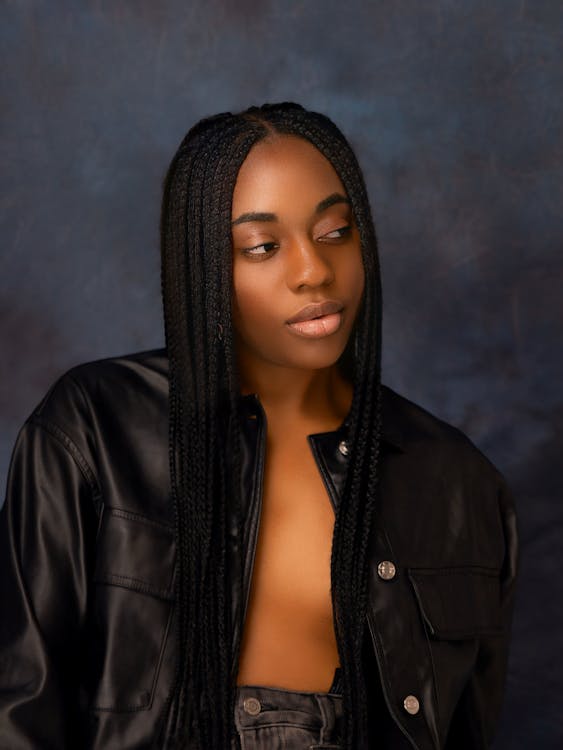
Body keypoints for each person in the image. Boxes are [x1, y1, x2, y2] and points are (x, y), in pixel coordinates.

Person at [0, 103, 518, 750]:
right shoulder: (94, 428)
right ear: (205, 265)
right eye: (262, 247)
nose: (313, 271)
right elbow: (20, 703)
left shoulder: (455, 479)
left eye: (335, 232)